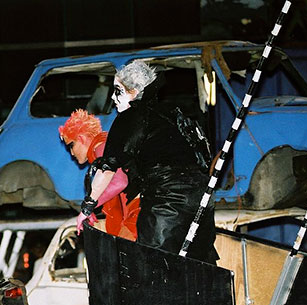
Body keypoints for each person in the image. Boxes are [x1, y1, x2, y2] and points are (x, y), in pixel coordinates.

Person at [78, 60, 217, 264]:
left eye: (118, 91)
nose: (113, 98)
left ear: (134, 92)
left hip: (167, 201)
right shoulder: (170, 112)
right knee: (199, 263)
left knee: (157, 265)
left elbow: (108, 168)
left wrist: (86, 208)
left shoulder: (131, 117)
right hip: (202, 198)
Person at [58, 109, 139, 241]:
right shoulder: (103, 145)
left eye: (71, 146)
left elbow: (120, 181)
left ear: (81, 138)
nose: (72, 153)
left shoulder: (100, 146)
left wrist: (89, 207)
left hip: (138, 211)